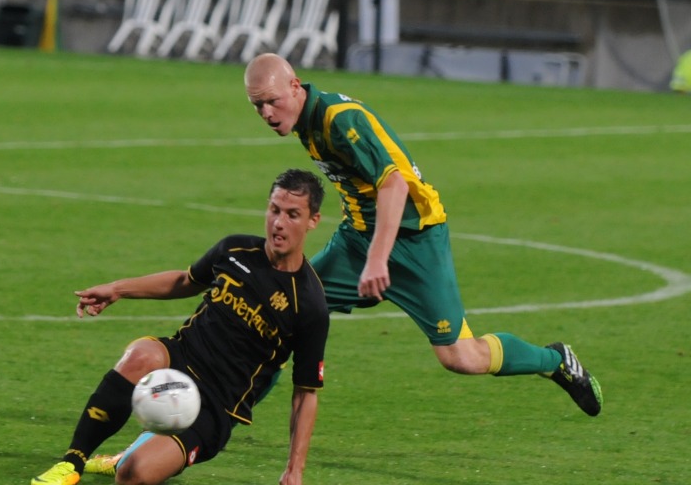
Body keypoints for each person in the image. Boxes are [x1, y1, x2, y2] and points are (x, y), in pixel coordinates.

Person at [243, 53, 602, 416]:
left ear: (294, 86)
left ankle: (555, 360)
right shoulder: (305, 120)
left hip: (416, 241)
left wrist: (378, 259)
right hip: (357, 242)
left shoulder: (339, 120)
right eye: (257, 106)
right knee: (285, 307)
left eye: (272, 101)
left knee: (460, 356)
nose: (267, 114)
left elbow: (394, 185)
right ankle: (234, 407)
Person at [31, 169, 329, 485]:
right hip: (180, 358)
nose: (278, 223)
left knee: (133, 475)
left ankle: (125, 457)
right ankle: (72, 461)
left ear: (313, 220)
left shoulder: (309, 305)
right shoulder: (235, 250)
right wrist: (118, 289)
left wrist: (294, 469)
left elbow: (305, 393)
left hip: (216, 406)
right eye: (274, 210)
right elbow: (185, 280)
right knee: (140, 354)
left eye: (292, 215)